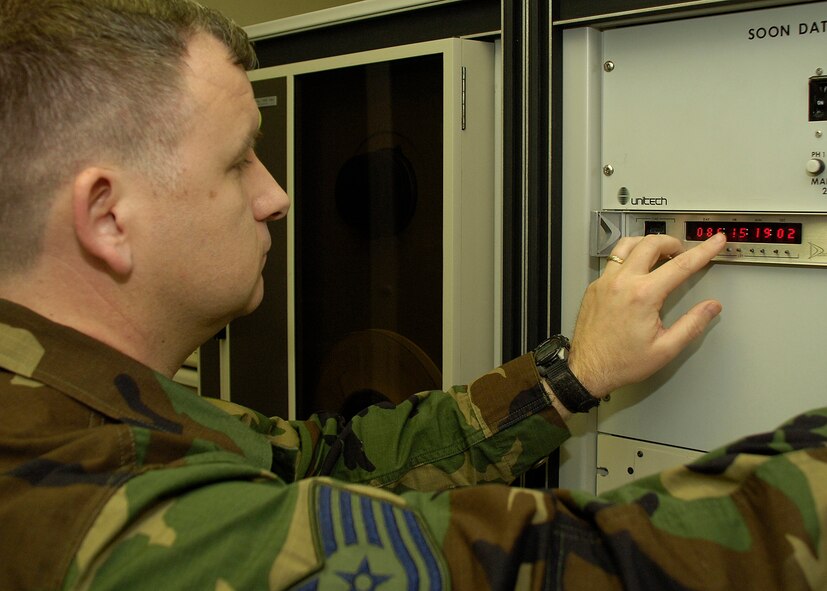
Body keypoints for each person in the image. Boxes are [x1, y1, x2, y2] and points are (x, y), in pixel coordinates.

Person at [0, 0, 824, 589]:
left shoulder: (77, 400)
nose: (275, 195)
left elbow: (334, 461)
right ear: (106, 216)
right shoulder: (107, 518)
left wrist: (570, 376)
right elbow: (557, 566)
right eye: (238, 159)